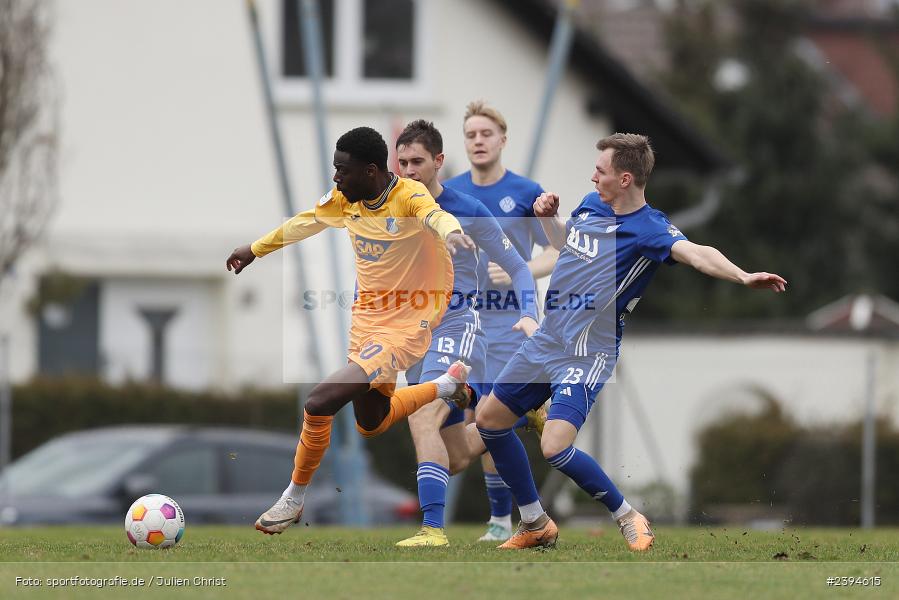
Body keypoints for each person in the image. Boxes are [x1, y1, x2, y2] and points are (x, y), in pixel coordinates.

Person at [457, 133, 786, 550]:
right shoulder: (592, 203)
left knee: (554, 445)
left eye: (601, 170)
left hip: (588, 350)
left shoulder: (649, 228)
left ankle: (628, 516)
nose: (592, 175)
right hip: (547, 340)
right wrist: (549, 220)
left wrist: (742, 276)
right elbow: (567, 246)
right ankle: (535, 522)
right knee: (489, 420)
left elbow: (697, 253)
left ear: (626, 178)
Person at [225, 126, 477, 535]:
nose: (337, 178)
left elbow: (436, 214)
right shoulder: (346, 200)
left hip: (408, 323)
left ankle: (293, 497)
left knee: (319, 399)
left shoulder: (408, 196)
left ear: (372, 171)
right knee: (371, 422)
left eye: (343, 171)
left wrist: (452, 235)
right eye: (335, 170)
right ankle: (445, 389)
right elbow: (305, 222)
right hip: (366, 324)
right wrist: (254, 249)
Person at [392, 120, 540, 547]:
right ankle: (508, 413)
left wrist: (528, 312)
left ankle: (432, 531)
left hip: (459, 327)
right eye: (402, 163)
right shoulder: (391, 209)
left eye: (417, 161)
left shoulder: (469, 209)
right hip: (416, 336)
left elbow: (517, 266)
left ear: (438, 162)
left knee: (420, 414)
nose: (409, 170)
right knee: (453, 454)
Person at [443, 101, 559, 541]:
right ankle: (504, 516)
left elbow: (555, 250)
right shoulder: (449, 191)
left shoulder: (527, 191)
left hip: (513, 322)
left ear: (502, 140)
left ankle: (500, 521)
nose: (477, 141)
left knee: (491, 416)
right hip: (466, 320)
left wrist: (521, 269)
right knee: (477, 415)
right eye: (470, 134)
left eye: (485, 134)